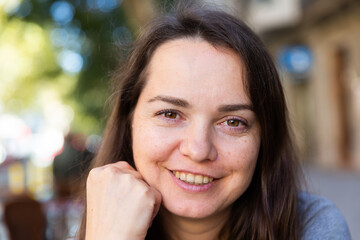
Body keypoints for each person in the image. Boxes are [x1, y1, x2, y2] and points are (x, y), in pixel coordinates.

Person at [78, 4, 351, 240]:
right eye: (170, 114)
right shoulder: (97, 228)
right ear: (130, 121)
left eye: (233, 122)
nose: (198, 150)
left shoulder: (312, 227)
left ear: (265, 137)